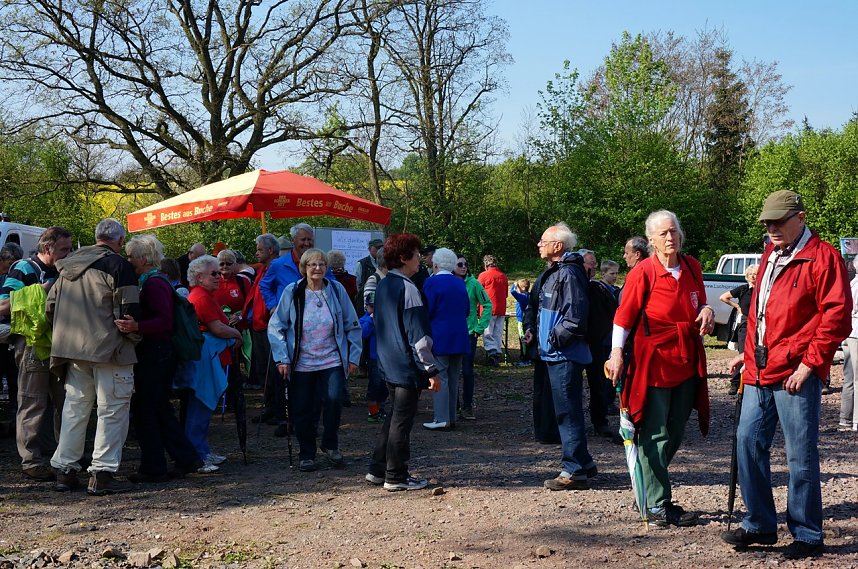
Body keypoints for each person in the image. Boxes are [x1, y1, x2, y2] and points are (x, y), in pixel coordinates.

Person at [721, 190, 852, 559]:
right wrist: (746, 358)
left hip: (796, 371)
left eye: (779, 221)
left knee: (800, 456)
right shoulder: (770, 254)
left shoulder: (823, 257)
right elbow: (757, 315)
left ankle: (808, 533)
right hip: (761, 369)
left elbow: (836, 317)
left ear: (801, 217)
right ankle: (760, 523)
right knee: (747, 443)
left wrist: (810, 364)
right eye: (768, 222)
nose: (772, 228)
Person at [606, 210, 712, 525]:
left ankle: (647, 481)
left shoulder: (692, 266)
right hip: (653, 362)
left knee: (677, 430)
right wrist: (616, 353)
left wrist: (706, 309)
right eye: (663, 233)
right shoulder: (643, 273)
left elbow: (699, 301)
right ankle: (656, 505)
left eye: (674, 232)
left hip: (687, 358)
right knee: (656, 433)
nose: (670, 238)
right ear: (651, 240)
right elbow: (622, 318)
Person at [48, 219, 140, 495]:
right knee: (112, 410)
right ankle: (102, 473)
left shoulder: (66, 266)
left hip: (72, 349)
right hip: (109, 349)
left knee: (74, 409)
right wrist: (135, 333)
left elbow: (50, 306)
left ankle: (65, 470)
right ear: (120, 241)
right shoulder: (119, 266)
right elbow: (129, 311)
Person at [268, 249, 361, 472]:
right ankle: (306, 453)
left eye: (321, 264)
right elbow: (276, 326)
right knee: (302, 408)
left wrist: (354, 356)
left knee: (334, 401)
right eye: (312, 265)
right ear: (304, 268)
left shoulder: (336, 291)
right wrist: (282, 358)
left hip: (332, 359)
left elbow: (352, 324)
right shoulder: (293, 292)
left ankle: (330, 444)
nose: (317, 268)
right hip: (301, 363)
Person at [117, 235, 201, 482]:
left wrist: (137, 326)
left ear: (143, 258)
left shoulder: (153, 284)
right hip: (160, 352)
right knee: (158, 409)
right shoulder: (156, 281)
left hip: (157, 353)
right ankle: (184, 458)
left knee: (147, 411)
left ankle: (155, 465)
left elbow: (164, 321)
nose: (128, 260)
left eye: (131, 256)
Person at [521, 223, 596, 491]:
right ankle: (584, 463)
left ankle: (574, 470)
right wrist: (535, 333)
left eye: (543, 241)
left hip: (564, 354)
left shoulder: (569, 273)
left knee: (567, 412)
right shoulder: (555, 271)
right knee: (566, 409)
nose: (539, 245)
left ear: (558, 246)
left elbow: (575, 315)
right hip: (553, 353)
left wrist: (553, 338)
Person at [364, 234, 440, 491]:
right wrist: (430, 370)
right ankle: (396, 475)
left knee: (393, 418)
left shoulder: (384, 285)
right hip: (405, 366)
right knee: (401, 422)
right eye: (417, 255)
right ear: (404, 258)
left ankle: (377, 469)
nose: (421, 259)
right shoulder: (407, 288)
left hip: (388, 363)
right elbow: (418, 336)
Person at [0, 227, 72, 482]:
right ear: (47, 248)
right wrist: (39, 290)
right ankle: (31, 461)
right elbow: (2, 305)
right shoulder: (23, 269)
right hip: (31, 345)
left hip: (60, 344)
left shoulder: (62, 270)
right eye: (64, 249)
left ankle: (65, 455)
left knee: (65, 402)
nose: (68, 254)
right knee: (33, 402)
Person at [182, 255, 242, 472]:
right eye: (214, 273)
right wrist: (237, 333)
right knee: (201, 405)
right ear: (199, 277)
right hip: (206, 360)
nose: (220, 276)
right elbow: (217, 327)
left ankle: (203, 450)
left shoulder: (204, 295)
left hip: (209, 358)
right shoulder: (201, 298)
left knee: (203, 407)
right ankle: (197, 455)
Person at [422, 248, 470, 430]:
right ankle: (451, 416)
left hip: (440, 336)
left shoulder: (431, 283)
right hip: (460, 336)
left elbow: (428, 310)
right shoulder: (460, 283)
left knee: (440, 377)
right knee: (453, 378)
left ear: (435, 264)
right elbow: (466, 310)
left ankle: (441, 418)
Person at [242, 234, 281, 412]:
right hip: (257, 325)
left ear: (270, 250)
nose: (256, 253)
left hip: (269, 325)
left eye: (260, 249)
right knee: (263, 370)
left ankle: (276, 409)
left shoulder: (276, 268)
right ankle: (269, 407)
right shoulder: (261, 269)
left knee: (273, 371)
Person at [454, 256, 491, 420]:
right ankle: (453, 406)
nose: (463, 267)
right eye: (459, 264)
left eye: (465, 264)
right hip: (452, 333)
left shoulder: (474, 283)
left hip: (469, 333)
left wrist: (479, 328)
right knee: (451, 371)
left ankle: (467, 406)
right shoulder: (449, 282)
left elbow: (487, 304)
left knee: (467, 371)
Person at [719, 264, 759, 394]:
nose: (753, 276)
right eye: (751, 274)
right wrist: (737, 306)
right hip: (745, 322)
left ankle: (752, 381)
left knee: (758, 352)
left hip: (760, 322)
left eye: (756, 274)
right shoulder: (742, 289)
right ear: (747, 276)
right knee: (743, 353)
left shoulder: (762, 290)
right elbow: (723, 297)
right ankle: (735, 383)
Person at [477, 254, 509, 367]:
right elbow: (505, 294)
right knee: (498, 332)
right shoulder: (503, 276)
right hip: (501, 308)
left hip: (487, 308)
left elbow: (478, 293)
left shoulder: (483, 275)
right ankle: (497, 352)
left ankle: (492, 353)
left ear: (486, 264)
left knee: (488, 332)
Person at [359, 300, 387, 423]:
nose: (374, 309)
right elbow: (362, 334)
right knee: (375, 384)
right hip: (373, 357)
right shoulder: (364, 320)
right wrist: (371, 320)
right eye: (371, 306)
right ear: (366, 307)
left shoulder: (385, 318)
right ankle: (373, 411)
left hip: (386, 357)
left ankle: (380, 409)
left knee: (385, 385)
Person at [840, 256, 858, 431]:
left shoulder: (851, 283)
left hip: (849, 331)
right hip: (856, 332)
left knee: (849, 378)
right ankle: (855, 421)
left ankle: (845, 419)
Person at [510, 278, 532, 366]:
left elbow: (512, 292)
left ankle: (525, 358)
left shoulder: (522, 296)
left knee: (522, 338)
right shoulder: (528, 295)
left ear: (522, 288)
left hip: (521, 320)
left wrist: (514, 285)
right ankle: (527, 357)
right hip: (526, 319)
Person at [355, 238, 384, 302]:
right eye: (377, 248)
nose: (379, 250)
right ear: (369, 249)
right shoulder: (361, 263)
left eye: (381, 248)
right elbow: (357, 284)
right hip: (366, 299)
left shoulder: (385, 262)